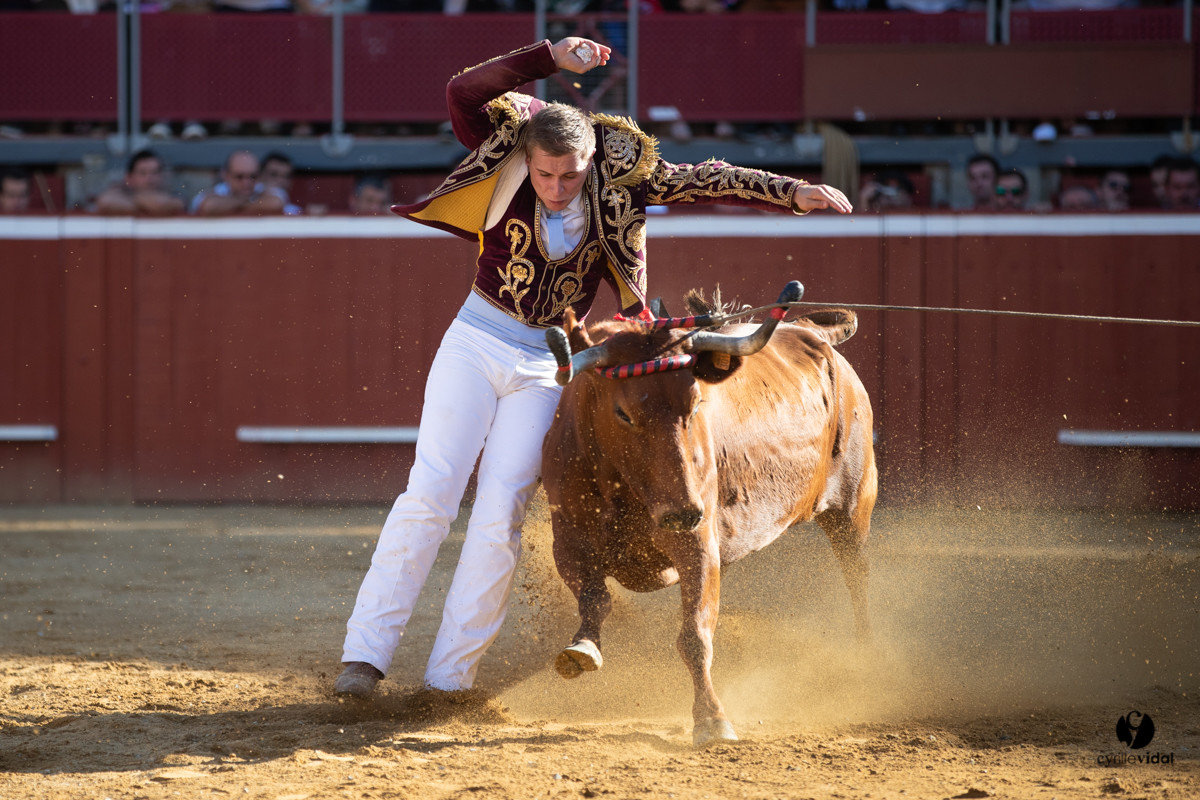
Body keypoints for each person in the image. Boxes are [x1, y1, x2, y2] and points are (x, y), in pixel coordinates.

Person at [333, 37, 853, 700]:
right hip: (476, 339)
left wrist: (791, 191)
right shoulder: (504, 150)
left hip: (548, 362)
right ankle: (365, 658)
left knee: (501, 510)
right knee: (430, 491)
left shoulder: (621, 182)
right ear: (528, 156)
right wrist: (548, 56)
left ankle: (448, 678)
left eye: (570, 175)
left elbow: (704, 178)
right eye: (545, 174)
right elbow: (463, 90)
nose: (555, 188)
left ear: (591, 160)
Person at [189, 150, 285, 216]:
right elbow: (209, 206)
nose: (246, 183)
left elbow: (276, 203)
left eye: (252, 177)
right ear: (226, 176)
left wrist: (231, 206)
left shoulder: (262, 188)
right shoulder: (218, 190)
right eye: (239, 177)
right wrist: (250, 202)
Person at [94, 149, 185, 217]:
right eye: (143, 173)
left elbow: (162, 204)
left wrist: (133, 201)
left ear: (161, 176)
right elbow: (105, 201)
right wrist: (145, 203)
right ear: (129, 178)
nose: (149, 179)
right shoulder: (121, 191)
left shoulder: (173, 192)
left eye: (155, 172)